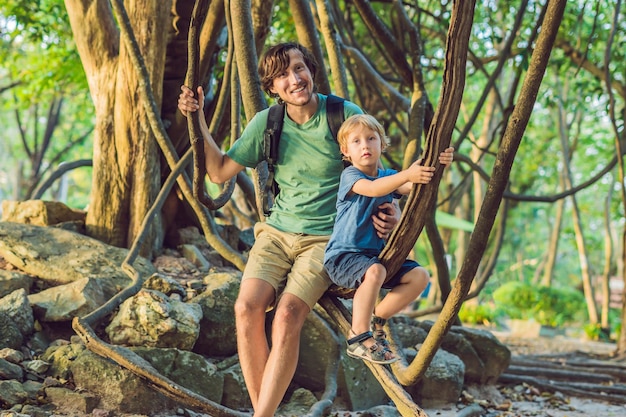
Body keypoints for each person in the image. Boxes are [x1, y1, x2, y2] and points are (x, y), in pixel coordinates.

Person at [178, 42, 400, 417]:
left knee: (286, 314)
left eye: (299, 68)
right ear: (273, 88)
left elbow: (374, 172)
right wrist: (197, 117)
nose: (295, 79)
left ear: (311, 69)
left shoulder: (342, 114)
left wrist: (391, 211)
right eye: (283, 75)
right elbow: (217, 172)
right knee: (246, 308)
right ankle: (264, 411)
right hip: (275, 233)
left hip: (327, 240)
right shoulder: (267, 123)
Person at [323, 114, 454, 364]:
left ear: (382, 144)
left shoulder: (388, 175)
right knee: (375, 272)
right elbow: (375, 188)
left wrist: (438, 162)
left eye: (371, 139)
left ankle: (379, 319)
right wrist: (407, 175)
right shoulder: (351, 177)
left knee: (419, 277)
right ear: (345, 150)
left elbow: (412, 184)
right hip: (343, 257)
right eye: (357, 141)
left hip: (375, 259)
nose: (365, 145)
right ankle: (358, 336)